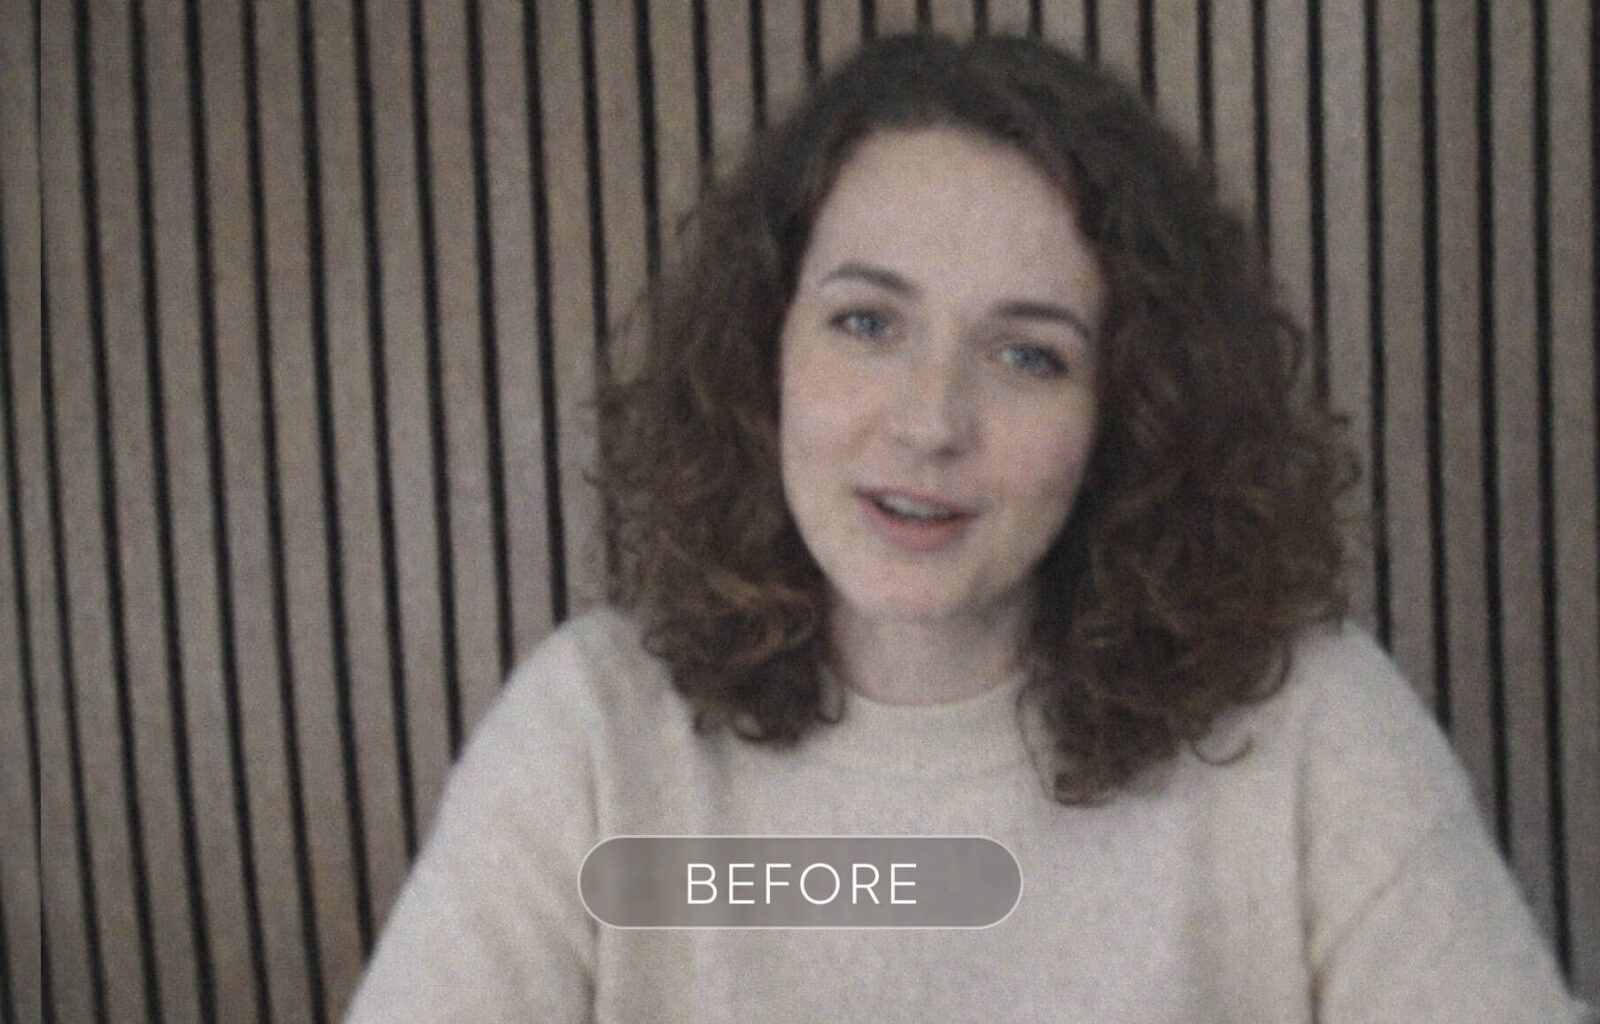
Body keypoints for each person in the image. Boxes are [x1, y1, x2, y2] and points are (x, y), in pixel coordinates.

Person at [345, 33, 1587, 1022]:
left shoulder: (1312, 725)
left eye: (1028, 354)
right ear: (763, 349)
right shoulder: (590, 735)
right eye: (866, 323)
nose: (931, 422)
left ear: (1128, 413)